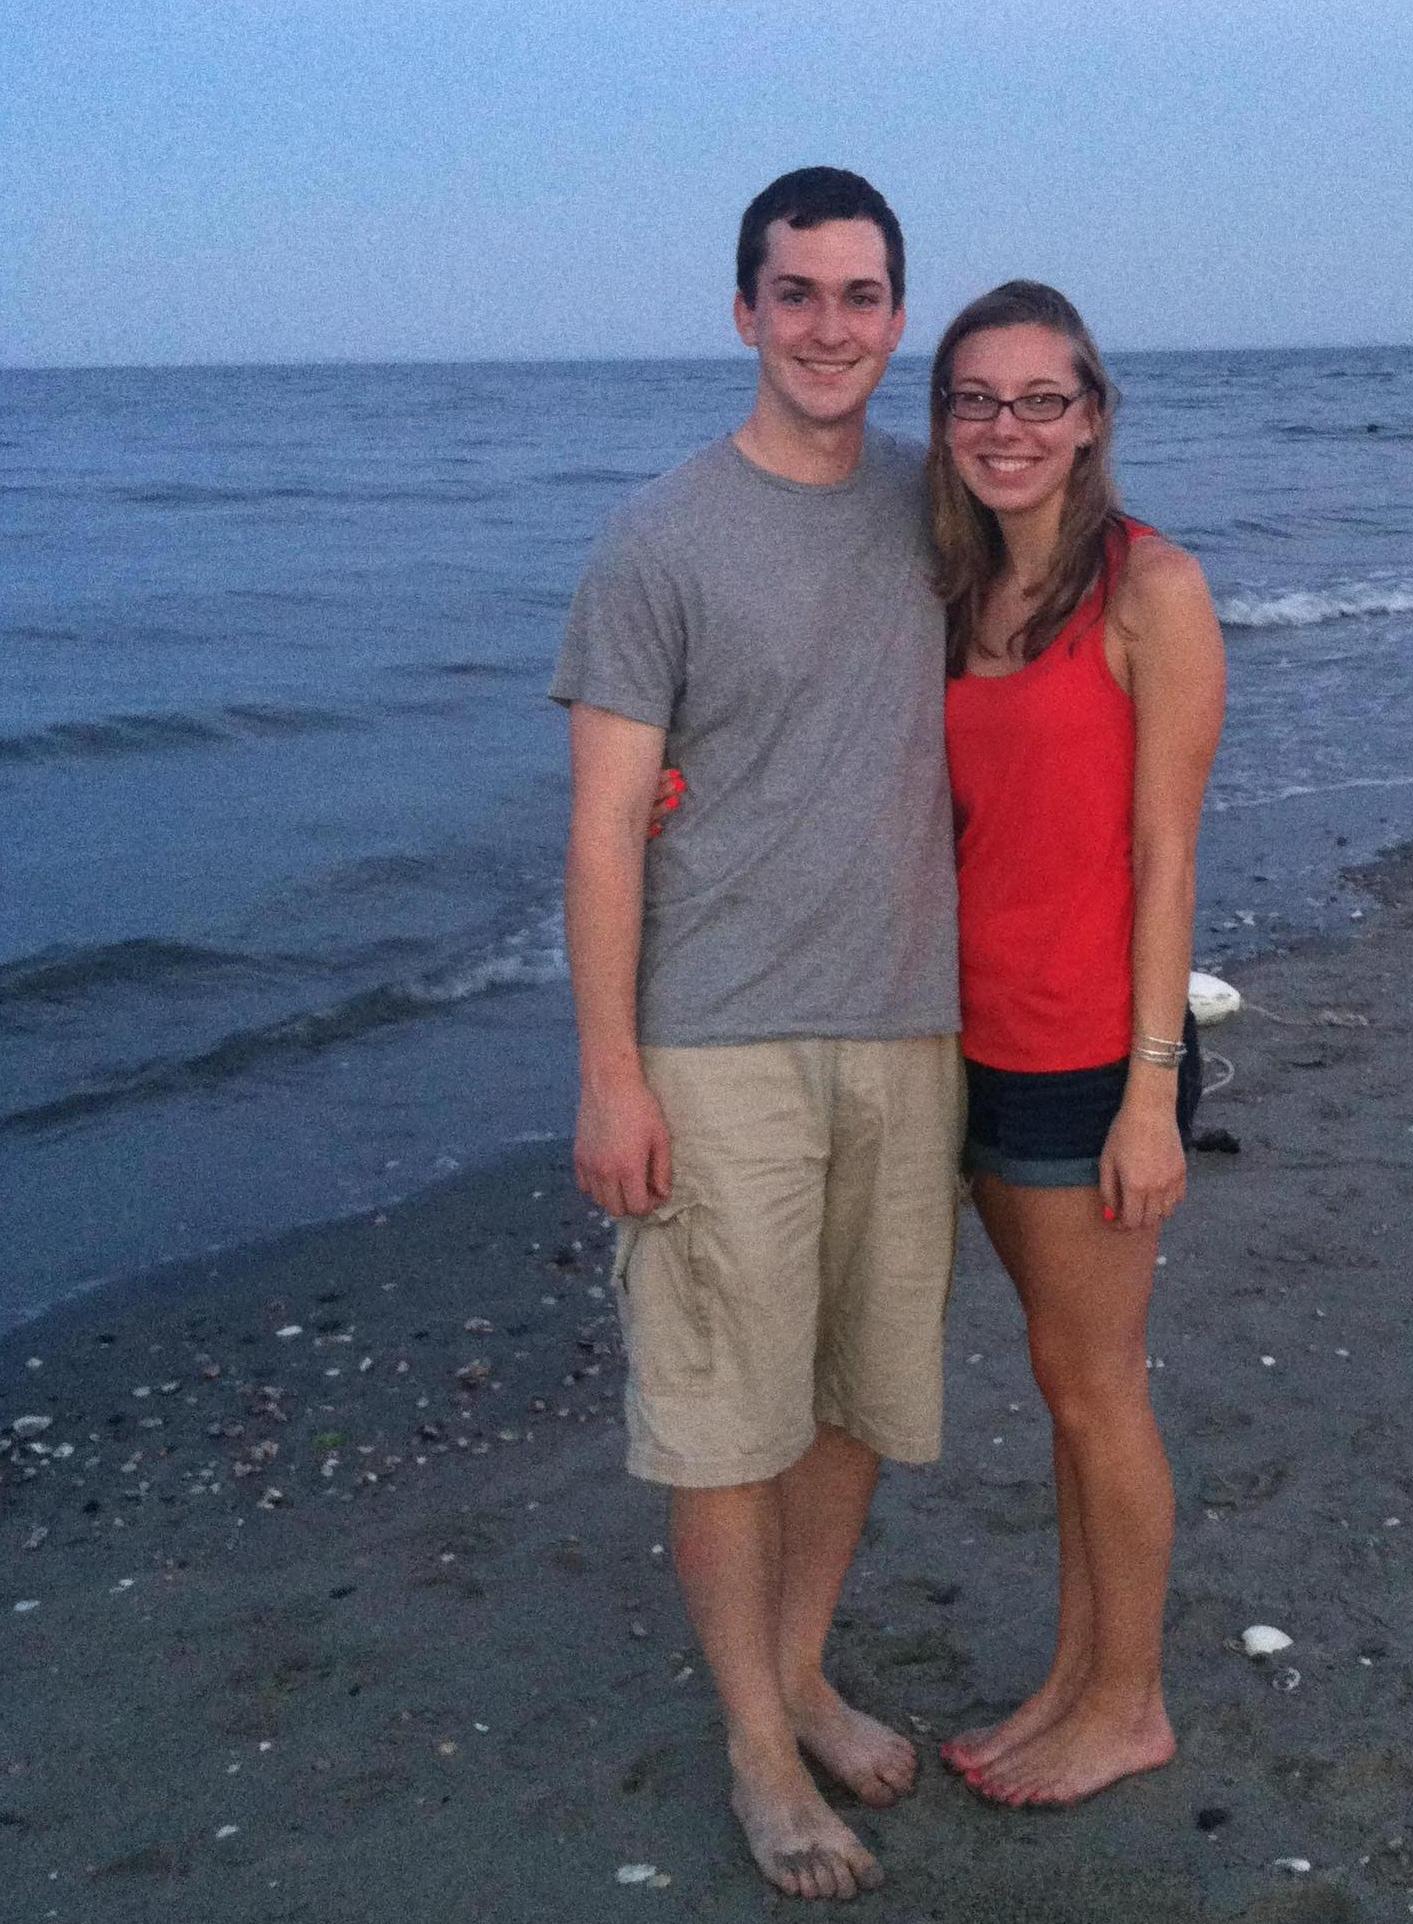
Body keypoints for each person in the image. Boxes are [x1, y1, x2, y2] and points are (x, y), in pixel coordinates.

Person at [549, 167, 961, 1903]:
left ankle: (802, 1673)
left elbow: (1085, 595)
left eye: (861, 296)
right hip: (715, 1046)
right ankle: (754, 1749)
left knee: (855, 1403)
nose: (829, 327)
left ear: (896, 318)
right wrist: (610, 1074)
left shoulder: (938, 509)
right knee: (727, 1424)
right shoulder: (661, 534)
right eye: (796, 293)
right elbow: (599, 824)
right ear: (743, 312)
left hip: (910, 1028)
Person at [930, 281, 1226, 1807]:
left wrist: (1153, 1092)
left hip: (1087, 1054)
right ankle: (1073, 1674)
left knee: (1099, 1384)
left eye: (1041, 398)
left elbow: (1169, 856)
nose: (1008, 427)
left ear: (1094, 413)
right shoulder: (952, 586)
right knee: (1063, 1380)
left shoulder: (1148, 590)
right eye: (977, 399)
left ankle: (1133, 1701)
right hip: (960, 1038)